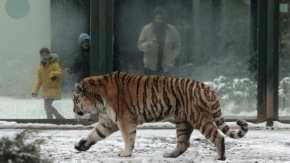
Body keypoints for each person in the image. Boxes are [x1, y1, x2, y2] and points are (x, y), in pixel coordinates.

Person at [138, 6, 181, 75]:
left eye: (160, 18)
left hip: (167, 67)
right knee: (150, 86)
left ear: (164, 19)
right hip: (150, 67)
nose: (158, 20)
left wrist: (171, 56)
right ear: (153, 18)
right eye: (156, 18)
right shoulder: (146, 29)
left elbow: (177, 45)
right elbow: (140, 46)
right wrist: (149, 44)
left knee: (166, 86)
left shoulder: (172, 30)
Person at [32, 47, 65, 119]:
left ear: (49, 55)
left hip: (53, 89)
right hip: (46, 90)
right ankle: (49, 119)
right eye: (42, 55)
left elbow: (60, 73)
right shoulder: (40, 68)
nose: (45, 56)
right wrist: (35, 91)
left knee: (47, 106)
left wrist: (53, 73)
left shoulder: (54, 64)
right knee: (46, 107)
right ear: (40, 57)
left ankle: (59, 117)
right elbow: (39, 80)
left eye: (46, 54)